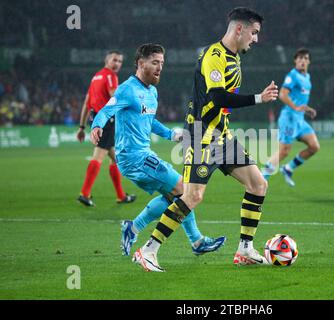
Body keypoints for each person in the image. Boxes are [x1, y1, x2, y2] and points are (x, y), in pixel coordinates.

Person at [133, 7, 279, 272]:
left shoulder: (234, 58)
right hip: (202, 137)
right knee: (193, 196)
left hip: (223, 136)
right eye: (254, 32)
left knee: (258, 184)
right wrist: (259, 98)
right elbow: (218, 97)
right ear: (239, 29)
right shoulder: (214, 56)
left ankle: (245, 249)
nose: (256, 39)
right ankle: (148, 250)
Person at [90, 43, 226, 257]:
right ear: (140, 63)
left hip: (144, 155)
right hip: (132, 158)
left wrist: (171, 135)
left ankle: (134, 228)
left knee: (177, 195)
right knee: (184, 189)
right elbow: (107, 110)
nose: (160, 67)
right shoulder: (127, 89)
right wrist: (96, 125)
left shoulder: (152, 91)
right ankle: (195, 241)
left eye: (162, 63)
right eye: (155, 62)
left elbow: (149, 121)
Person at [76, 50, 136, 206]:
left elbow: (86, 103)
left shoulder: (95, 77)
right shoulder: (110, 76)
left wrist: (82, 126)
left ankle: (121, 196)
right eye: (114, 60)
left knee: (115, 157)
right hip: (107, 122)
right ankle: (84, 193)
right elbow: (115, 96)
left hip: (97, 119)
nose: (117, 64)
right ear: (107, 60)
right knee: (99, 156)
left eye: (120, 61)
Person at [262, 48, 319, 187]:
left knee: (314, 147)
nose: (302, 61)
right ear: (295, 61)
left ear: (309, 61)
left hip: (299, 120)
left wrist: (306, 109)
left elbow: (300, 100)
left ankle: (288, 169)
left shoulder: (307, 77)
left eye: (305, 58)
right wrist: (295, 107)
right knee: (284, 151)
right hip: (289, 118)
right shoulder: (292, 76)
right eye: (300, 58)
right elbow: (282, 94)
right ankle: (262, 177)